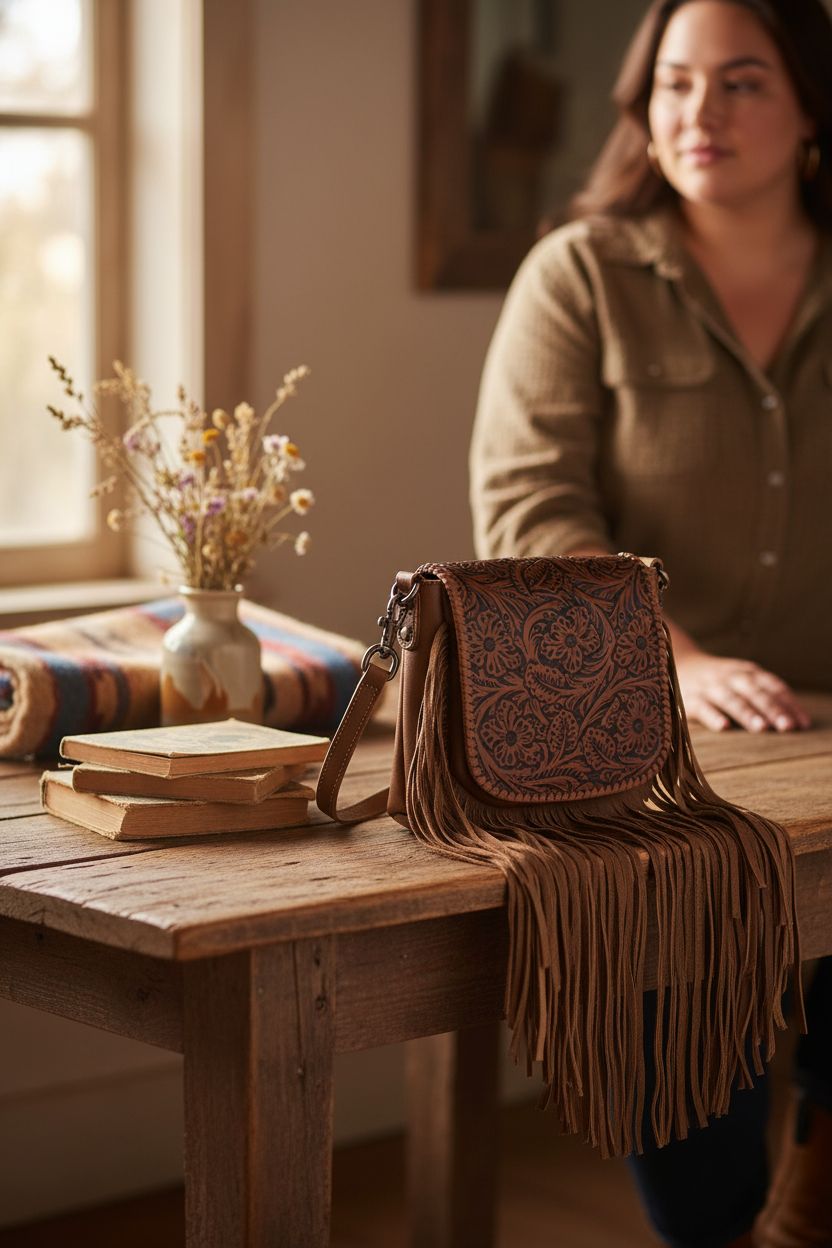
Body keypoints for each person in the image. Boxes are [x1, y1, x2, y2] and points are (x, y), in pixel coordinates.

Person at [469, 1, 832, 1245]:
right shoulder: (579, 274)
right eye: (674, 83)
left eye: (740, 82)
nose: (698, 113)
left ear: (810, 108)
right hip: (648, 744)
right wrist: (675, 664)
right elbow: (528, 512)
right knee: (665, 1015)